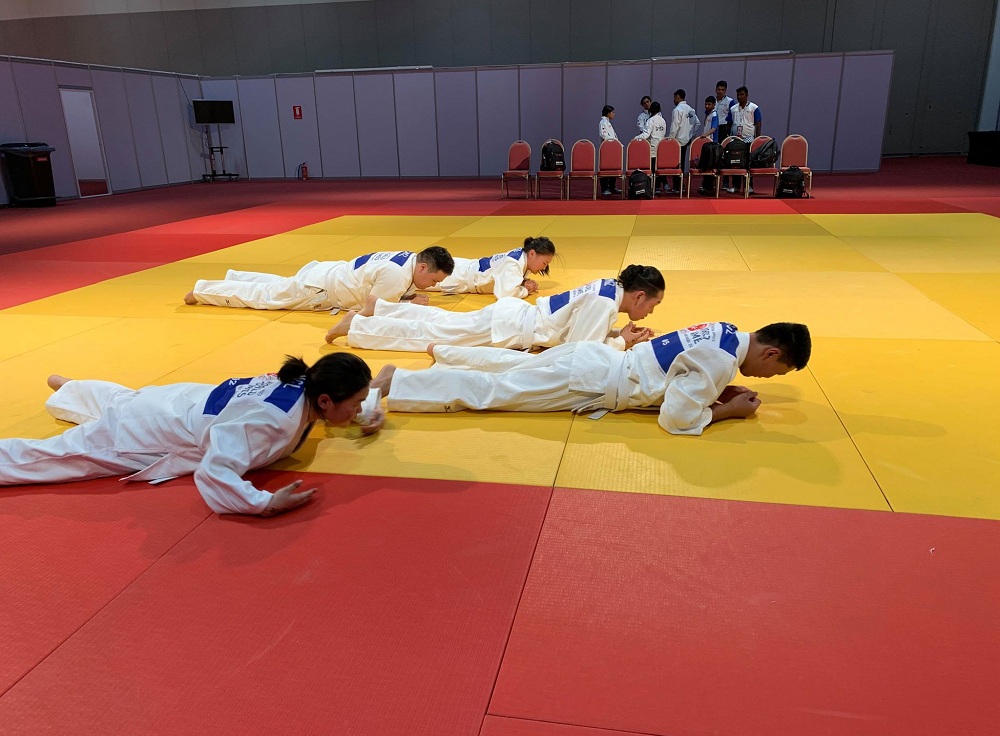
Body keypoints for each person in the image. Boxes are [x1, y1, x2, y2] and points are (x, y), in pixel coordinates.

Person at [0, 353, 385, 515]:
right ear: (324, 401)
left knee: (123, 400)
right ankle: (69, 394)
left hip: (172, 401)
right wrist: (264, 502)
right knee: (53, 458)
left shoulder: (303, 379)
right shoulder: (271, 422)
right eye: (355, 403)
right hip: (144, 434)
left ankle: (69, 387)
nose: (356, 410)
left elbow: (342, 401)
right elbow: (215, 469)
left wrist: (370, 410)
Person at [371, 321, 811, 436]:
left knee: (511, 366)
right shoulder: (723, 361)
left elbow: (681, 369)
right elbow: (676, 417)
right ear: (772, 353)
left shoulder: (726, 331)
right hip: (589, 381)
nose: (768, 375)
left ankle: (443, 356)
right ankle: (399, 383)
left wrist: (716, 390)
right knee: (495, 391)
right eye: (777, 370)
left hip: (594, 357)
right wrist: (727, 410)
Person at [326, 265, 665, 352]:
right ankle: (357, 327)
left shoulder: (608, 287)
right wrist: (620, 342)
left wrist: (616, 332)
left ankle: (382, 309)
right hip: (509, 327)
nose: (652, 311)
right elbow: (579, 353)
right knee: (430, 335)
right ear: (639, 296)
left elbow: (576, 328)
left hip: (513, 316)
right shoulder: (605, 303)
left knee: (442, 321)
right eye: (654, 303)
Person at [183, 246, 454, 312]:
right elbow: (373, 309)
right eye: (434, 280)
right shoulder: (397, 275)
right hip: (318, 289)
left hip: (326, 274)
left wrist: (407, 296)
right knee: (265, 298)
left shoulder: (406, 257)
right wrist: (409, 304)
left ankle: (235, 277)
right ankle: (203, 291)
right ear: (422, 267)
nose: (434, 286)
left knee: (276, 286)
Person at [430, 237, 556, 299]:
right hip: (457, 276)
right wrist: (525, 289)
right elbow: (505, 295)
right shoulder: (513, 264)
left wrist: (522, 282)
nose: (544, 268)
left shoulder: (521, 255)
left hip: (465, 267)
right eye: (544, 263)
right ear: (532, 254)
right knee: (420, 278)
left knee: (422, 266)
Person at [727, 86, 761, 195]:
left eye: (742, 94)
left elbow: (758, 123)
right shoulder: (733, 109)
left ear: (747, 95)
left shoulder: (754, 108)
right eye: (738, 95)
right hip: (736, 140)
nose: (740, 97)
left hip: (749, 139)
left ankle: (749, 186)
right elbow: (729, 122)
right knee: (735, 163)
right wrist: (729, 136)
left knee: (748, 164)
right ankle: (735, 186)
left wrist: (757, 139)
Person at [667, 89, 699, 194]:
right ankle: (681, 186)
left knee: (675, 164)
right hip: (687, 140)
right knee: (682, 163)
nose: (673, 100)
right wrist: (691, 135)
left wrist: (670, 139)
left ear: (678, 96)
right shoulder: (691, 109)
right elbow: (697, 123)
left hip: (677, 141)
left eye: (674, 97)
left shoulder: (677, 109)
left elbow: (674, 127)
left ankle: (677, 186)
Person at [633, 101, 667, 194]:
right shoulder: (663, 120)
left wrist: (636, 138)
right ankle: (658, 187)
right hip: (661, 146)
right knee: (659, 167)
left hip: (652, 147)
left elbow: (646, 134)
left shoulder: (650, 120)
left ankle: (653, 187)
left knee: (652, 168)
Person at [715, 81, 735, 192]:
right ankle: (713, 181)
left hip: (724, 129)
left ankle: (726, 181)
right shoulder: (713, 101)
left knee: (725, 156)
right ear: (716, 90)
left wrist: (727, 128)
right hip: (714, 129)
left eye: (722, 90)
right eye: (719, 89)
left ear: (725, 90)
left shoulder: (730, 102)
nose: (720, 92)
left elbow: (731, 117)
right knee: (714, 155)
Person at [698, 95, 720, 195]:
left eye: (709, 104)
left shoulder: (714, 115)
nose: (707, 106)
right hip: (707, 143)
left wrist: (705, 135)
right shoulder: (707, 114)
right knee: (706, 165)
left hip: (712, 144)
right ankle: (705, 185)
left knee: (710, 166)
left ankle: (710, 187)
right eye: (706, 104)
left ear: (714, 105)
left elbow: (714, 128)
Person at [598, 105, 621, 196]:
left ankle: (612, 187)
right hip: (606, 148)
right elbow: (603, 134)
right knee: (605, 168)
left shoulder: (608, 122)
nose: (613, 114)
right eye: (612, 112)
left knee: (613, 167)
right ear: (608, 113)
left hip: (612, 148)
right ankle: (604, 188)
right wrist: (613, 142)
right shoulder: (603, 122)